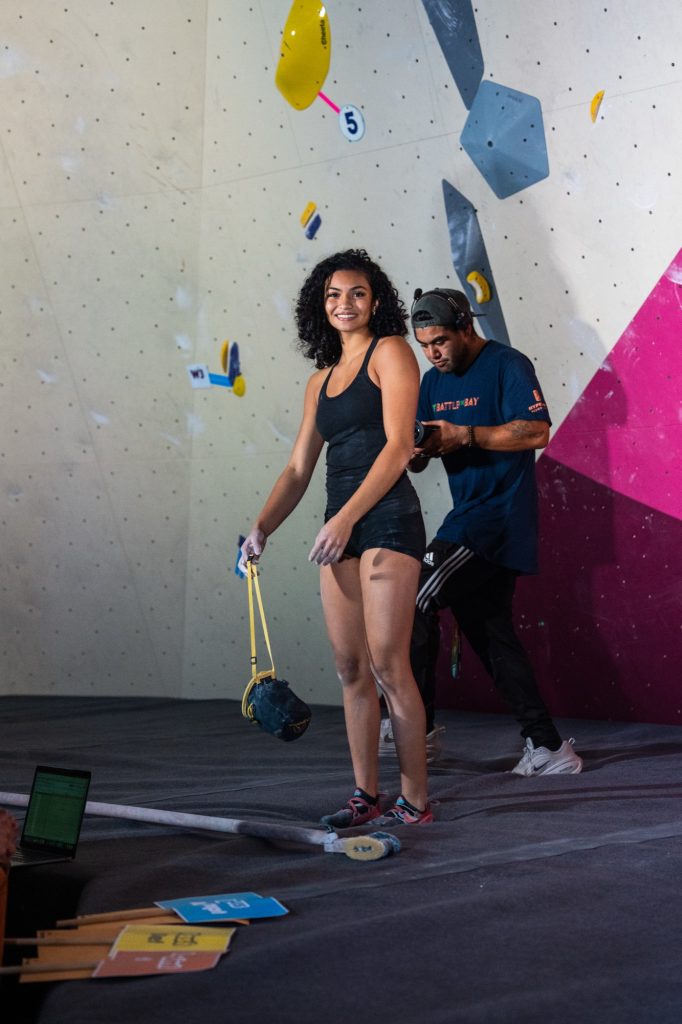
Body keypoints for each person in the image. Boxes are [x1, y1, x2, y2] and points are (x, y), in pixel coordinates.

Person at [239, 250, 433, 826]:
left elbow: (400, 446)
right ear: (319, 307)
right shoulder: (319, 381)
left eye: (357, 293)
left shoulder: (391, 352)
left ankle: (416, 801)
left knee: (389, 665)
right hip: (339, 523)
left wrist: (346, 518)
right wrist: (261, 527)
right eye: (333, 295)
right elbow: (299, 469)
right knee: (350, 669)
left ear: (375, 302)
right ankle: (365, 796)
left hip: (387, 517)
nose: (344, 304)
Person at [380, 286, 582, 776]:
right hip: (470, 514)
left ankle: (416, 729)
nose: (433, 353)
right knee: (491, 635)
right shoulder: (432, 382)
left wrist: (464, 434)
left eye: (440, 342)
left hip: (497, 519)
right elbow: (423, 455)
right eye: (424, 345)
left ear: (466, 328)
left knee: (412, 597)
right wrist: (420, 450)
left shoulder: (508, 364)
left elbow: (536, 431)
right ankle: (548, 748)